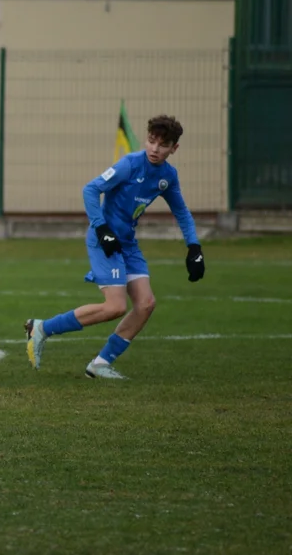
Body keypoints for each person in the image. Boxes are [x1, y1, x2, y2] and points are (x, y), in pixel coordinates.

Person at [24, 114, 206, 379]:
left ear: (174, 148)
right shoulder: (130, 164)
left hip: (128, 244)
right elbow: (90, 189)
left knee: (145, 304)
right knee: (115, 307)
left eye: (163, 145)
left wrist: (194, 247)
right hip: (103, 240)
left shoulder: (168, 176)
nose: (155, 149)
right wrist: (101, 227)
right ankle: (41, 328)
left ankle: (100, 363)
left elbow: (181, 212)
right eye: (152, 141)